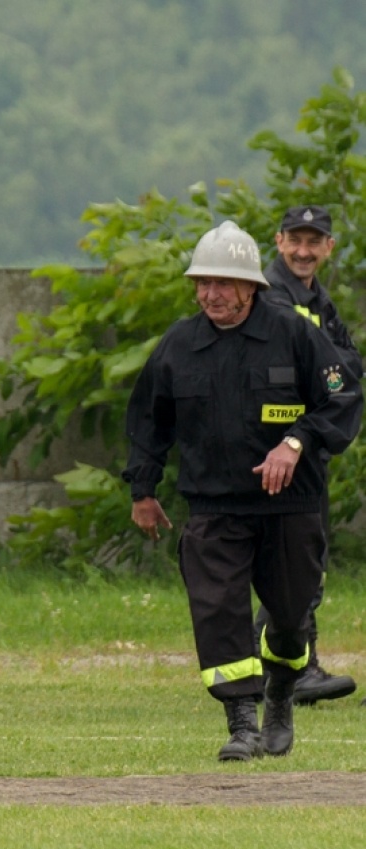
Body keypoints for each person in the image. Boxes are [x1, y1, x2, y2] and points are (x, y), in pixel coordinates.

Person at [124, 220, 361, 762]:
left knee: (291, 616)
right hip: (213, 508)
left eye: (224, 283)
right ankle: (242, 723)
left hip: (290, 507)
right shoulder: (179, 344)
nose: (212, 294)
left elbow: (342, 397)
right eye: (203, 283)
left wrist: (297, 442)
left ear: (251, 286)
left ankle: (281, 690)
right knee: (218, 613)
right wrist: (143, 488)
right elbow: (148, 421)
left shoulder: (296, 333)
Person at [257, 205, 361, 705]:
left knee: (297, 561)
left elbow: (349, 365)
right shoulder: (271, 296)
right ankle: (294, 669)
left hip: (306, 448)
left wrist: (327, 371)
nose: (303, 250)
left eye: (313, 241)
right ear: (278, 242)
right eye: (294, 240)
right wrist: (327, 373)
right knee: (293, 562)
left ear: (328, 248)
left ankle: (283, 666)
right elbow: (311, 368)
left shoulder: (316, 298)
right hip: (275, 449)